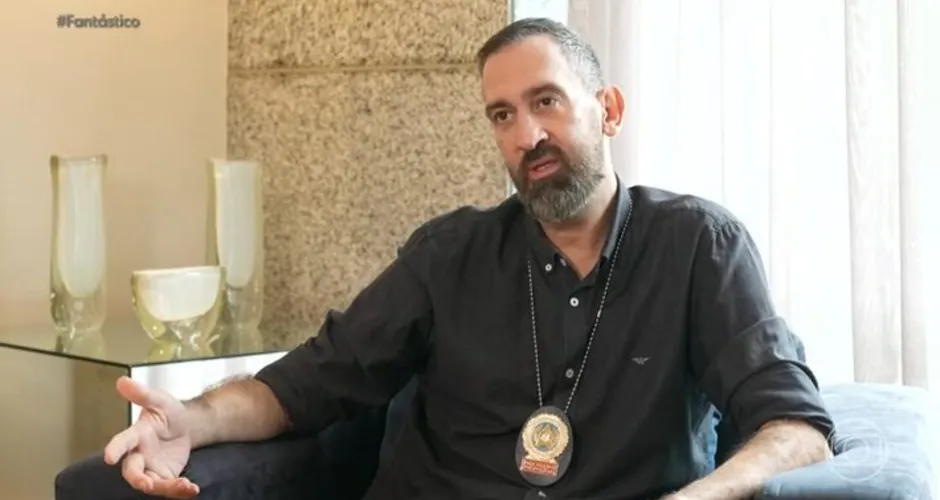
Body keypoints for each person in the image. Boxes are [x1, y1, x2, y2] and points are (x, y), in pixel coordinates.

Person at [103, 17, 834, 500]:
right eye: (502, 115)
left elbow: (796, 430)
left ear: (608, 109)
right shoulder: (448, 255)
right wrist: (191, 421)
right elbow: (307, 383)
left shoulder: (699, 247)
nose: (526, 135)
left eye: (547, 102)